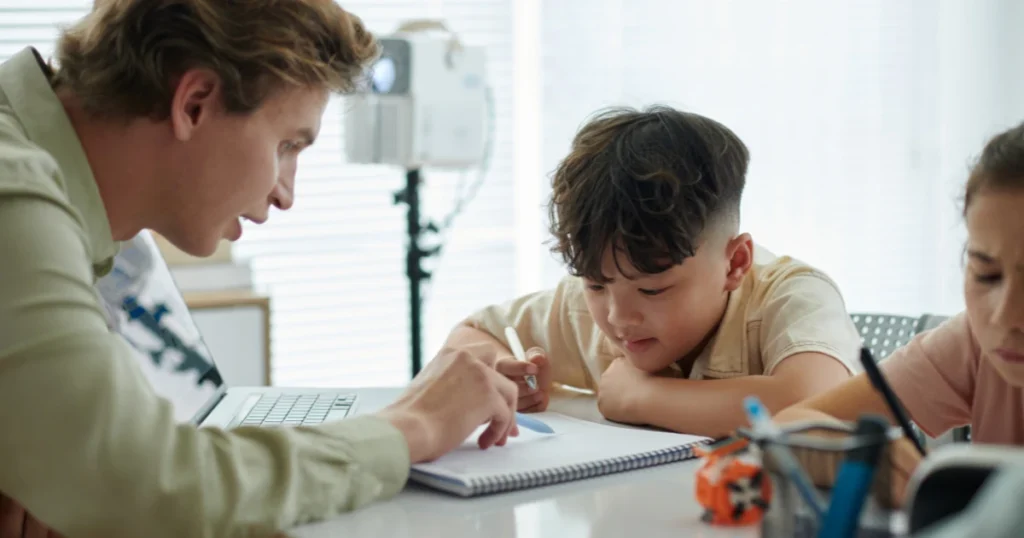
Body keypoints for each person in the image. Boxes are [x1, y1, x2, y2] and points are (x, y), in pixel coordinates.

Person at [0, 2, 521, 537]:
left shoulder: (61, 199)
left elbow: (103, 471)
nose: (285, 194)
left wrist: (70, 468)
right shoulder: (11, 189)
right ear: (196, 103)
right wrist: (414, 427)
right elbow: (147, 481)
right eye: (288, 144)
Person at [442, 105, 862, 438]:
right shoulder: (594, 303)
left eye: (653, 290)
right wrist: (503, 368)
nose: (619, 318)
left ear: (734, 263)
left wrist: (643, 396)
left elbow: (819, 403)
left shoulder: (793, 296)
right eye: (595, 283)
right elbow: (468, 337)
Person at [773, 121, 1024, 506]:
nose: (1005, 317)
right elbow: (786, 430)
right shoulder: (972, 344)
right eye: (986, 274)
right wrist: (854, 458)